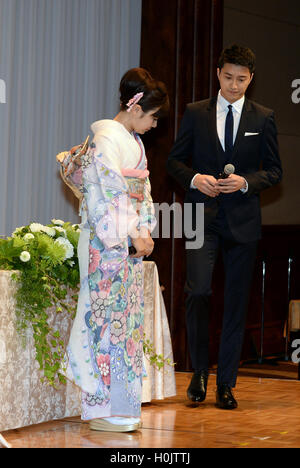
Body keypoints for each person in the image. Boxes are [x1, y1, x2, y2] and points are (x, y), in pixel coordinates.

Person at [166, 44, 282, 409]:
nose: (234, 85)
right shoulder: (195, 113)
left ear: (251, 79)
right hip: (200, 216)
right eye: (229, 77)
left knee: (235, 302)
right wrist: (195, 178)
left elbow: (275, 171)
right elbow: (173, 161)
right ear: (218, 74)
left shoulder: (263, 117)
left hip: (244, 221)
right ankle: (200, 369)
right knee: (197, 291)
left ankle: (226, 383)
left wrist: (246, 182)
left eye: (242, 79)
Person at [60, 68, 169, 431]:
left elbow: (142, 190)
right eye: (153, 118)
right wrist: (133, 231)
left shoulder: (131, 141)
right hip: (105, 244)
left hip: (124, 243)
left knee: (124, 323)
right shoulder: (108, 137)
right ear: (136, 110)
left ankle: (121, 404)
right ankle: (102, 408)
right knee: (104, 320)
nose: (154, 125)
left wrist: (145, 229)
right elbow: (106, 193)